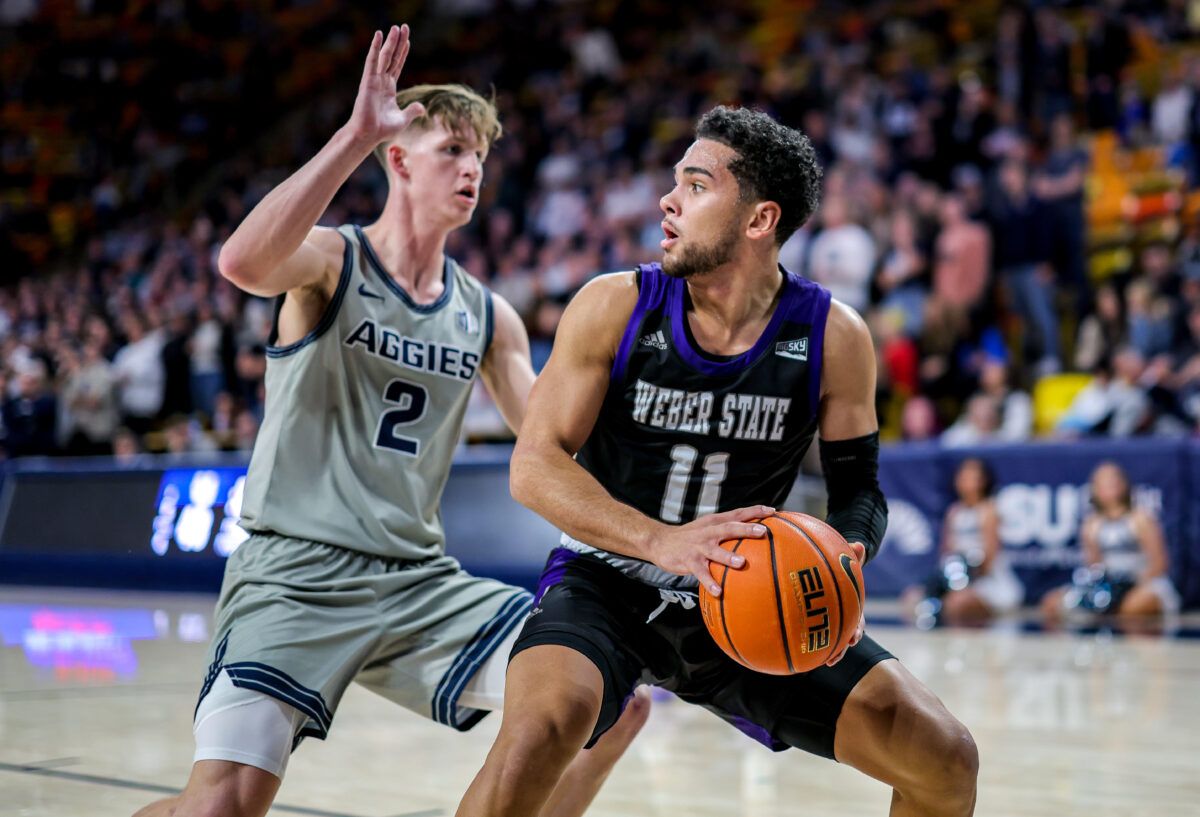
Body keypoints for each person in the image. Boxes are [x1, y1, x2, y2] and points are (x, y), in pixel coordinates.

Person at [133, 25, 646, 817]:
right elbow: (241, 264)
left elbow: (555, 444)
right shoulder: (329, 263)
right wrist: (352, 136)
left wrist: (663, 522)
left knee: (603, 696)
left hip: (416, 581)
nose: (473, 168)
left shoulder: (487, 314)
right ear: (399, 161)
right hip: (295, 573)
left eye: (480, 155)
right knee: (219, 809)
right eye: (452, 150)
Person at [457, 106, 977, 817]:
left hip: (747, 594)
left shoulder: (834, 335)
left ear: (760, 220)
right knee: (535, 734)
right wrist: (662, 542)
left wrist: (848, 559)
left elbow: (860, 491)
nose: (668, 202)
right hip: (605, 579)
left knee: (944, 755)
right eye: (675, 183)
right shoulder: (615, 304)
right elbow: (535, 465)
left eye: (696, 187)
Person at [1040, 462, 1180, 619]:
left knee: (1133, 607)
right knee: (1052, 602)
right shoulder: (1091, 524)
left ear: (1124, 484)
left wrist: (1132, 585)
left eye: (1113, 480)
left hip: (1142, 582)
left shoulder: (1141, 519)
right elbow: (1093, 567)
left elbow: (1159, 563)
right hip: (1108, 586)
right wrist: (1101, 588)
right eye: (1103, 482)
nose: (1109, 486)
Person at [904, 458, 1023, 624]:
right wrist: (946, 581)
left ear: (983, 481)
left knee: (957, 604)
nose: (964, 480)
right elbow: (947, 554)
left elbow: (989, 560)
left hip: (987, 581)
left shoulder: (988, 510)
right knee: (911, 599)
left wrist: (967, 583)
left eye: (971, 476)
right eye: (962, 475)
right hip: (957, 578)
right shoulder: (954, 512)